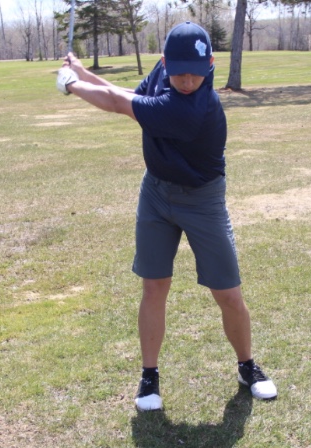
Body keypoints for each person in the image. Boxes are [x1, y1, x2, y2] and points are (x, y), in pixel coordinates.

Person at [57, 21, 276, 411]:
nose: (187, 79)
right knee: (154, 286)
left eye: (195, 71)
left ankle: (247, 365)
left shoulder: (194, 107)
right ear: (164, 62)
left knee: (227, 292)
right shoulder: (165, 74)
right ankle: (149, 378)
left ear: (210, 63)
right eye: (178, 71)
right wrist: (83, 72)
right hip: (156, 193)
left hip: (202, 200)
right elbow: (128, 93)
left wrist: (69, 85)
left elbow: (118, 105)